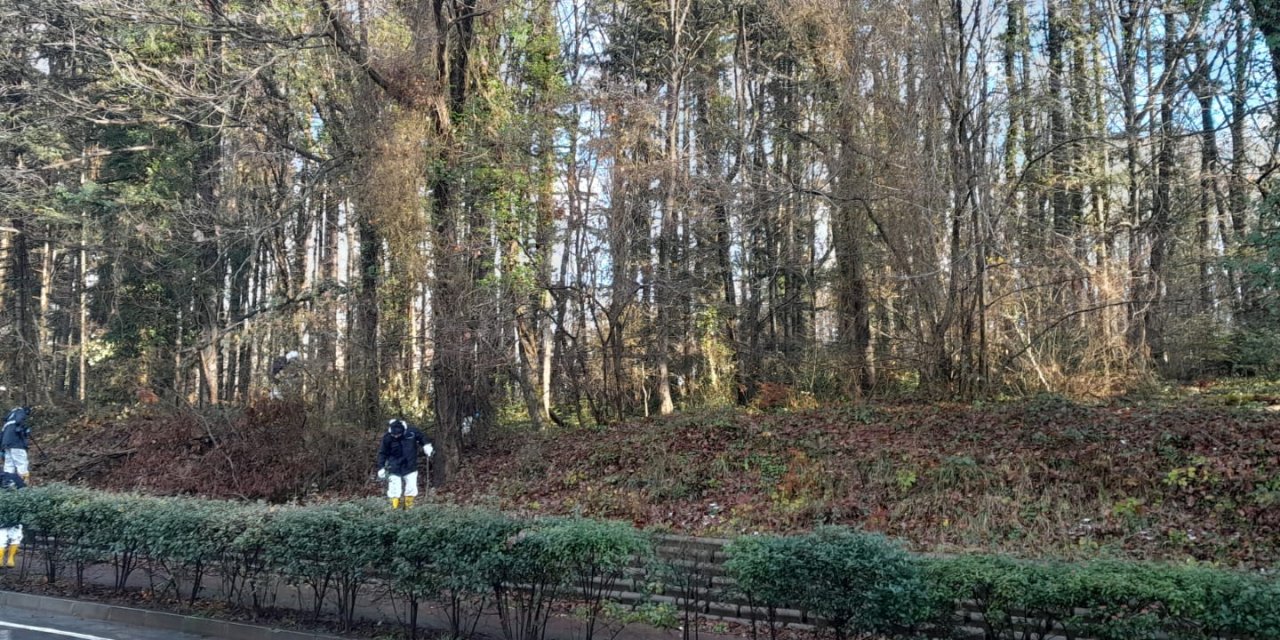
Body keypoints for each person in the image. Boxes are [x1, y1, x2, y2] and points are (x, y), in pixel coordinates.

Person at [376, 419, 433, 509]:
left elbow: (422, 437)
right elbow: (382, 453)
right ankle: (394, 509)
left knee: (411, 487)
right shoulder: (387, 437)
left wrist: (426, 445)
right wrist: (381, 467)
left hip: (410, 465)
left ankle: (409, 509)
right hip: (394, 466)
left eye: (398, 434)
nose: (396, 436)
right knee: (394, 489)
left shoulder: (412, 432)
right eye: (394, 435)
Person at [1, 470, 24, 568]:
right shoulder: (14, 477)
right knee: (16, 536)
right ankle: (10, 559)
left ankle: (0, 560)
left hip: (2, 515)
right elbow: (25, 491)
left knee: (1, 538)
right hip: (15, 513)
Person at [1, 406, 31, 482]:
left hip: (6, 445)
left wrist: (2, 450)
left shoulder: (6, 423)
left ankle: (8, 484)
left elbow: (1, 436)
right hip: (17, 443)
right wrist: (24, 430)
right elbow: (19, 421)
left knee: (9, 465)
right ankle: (23, 485)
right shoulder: (20, 411)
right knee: (21, 463)